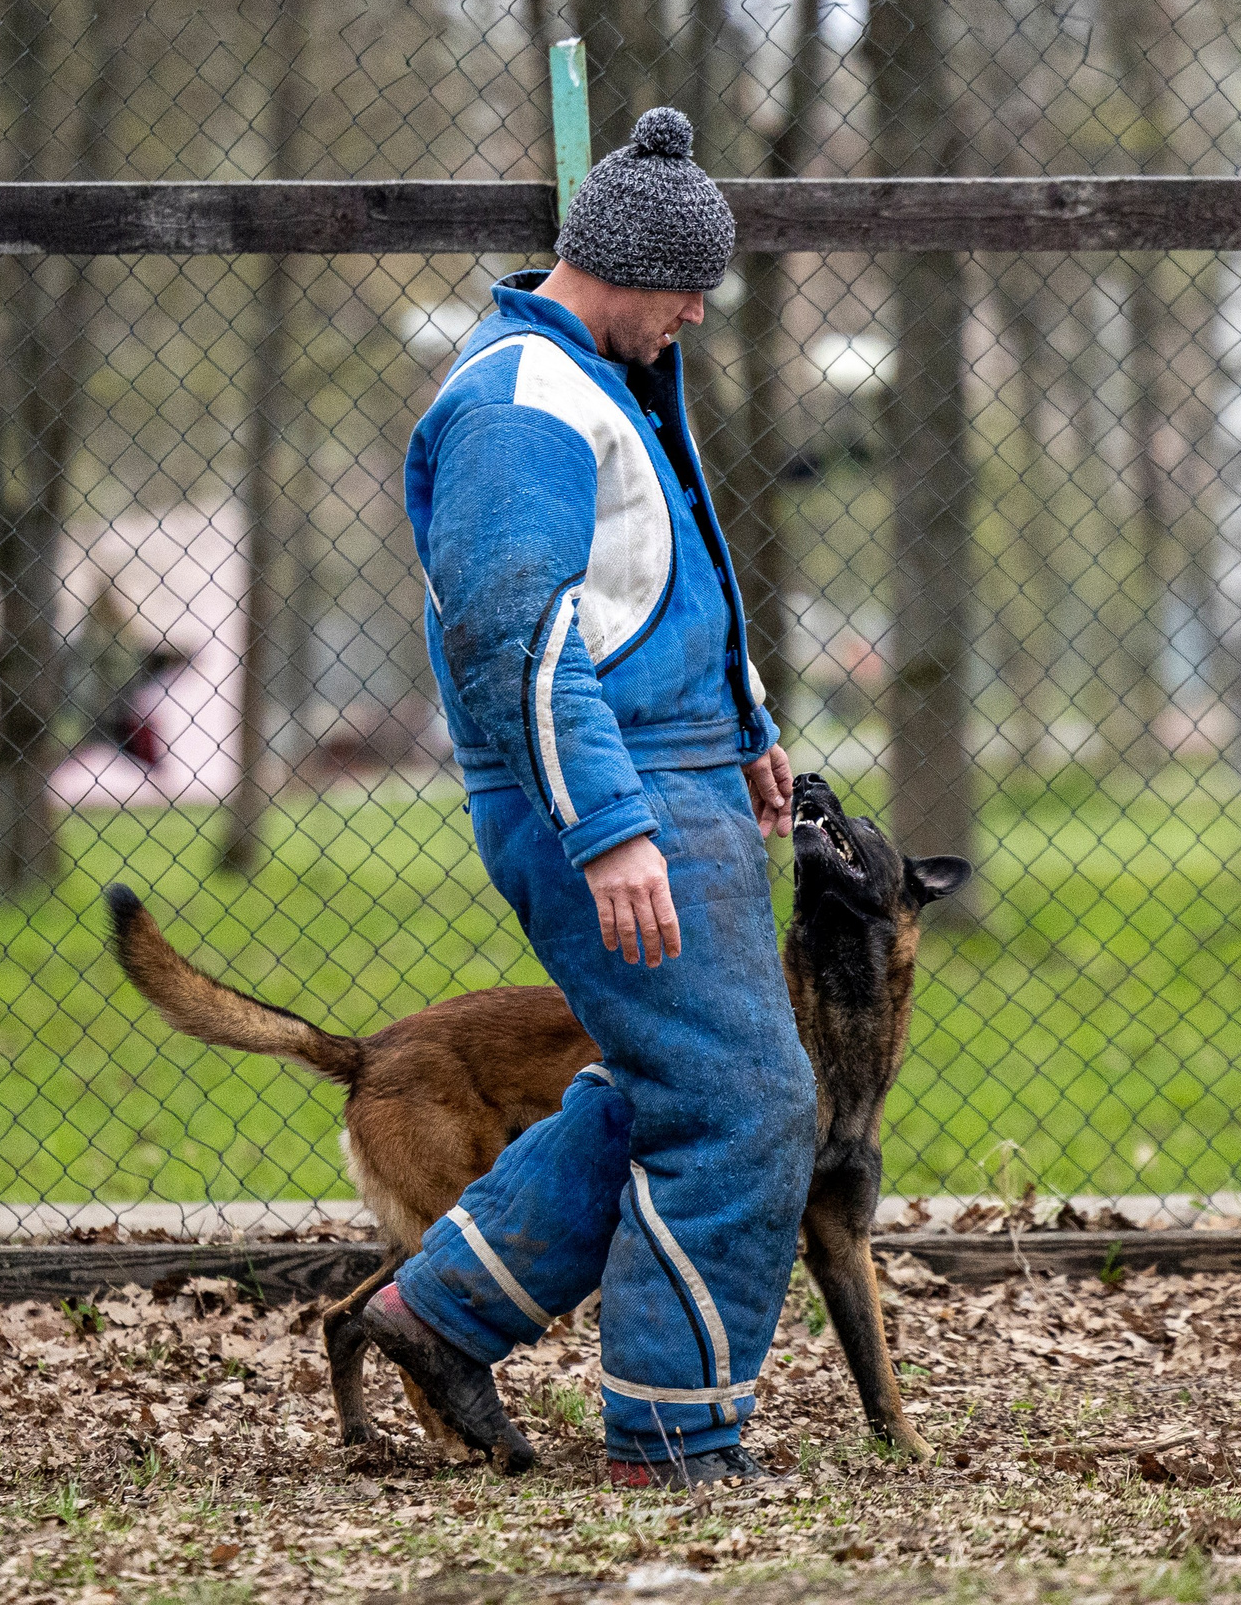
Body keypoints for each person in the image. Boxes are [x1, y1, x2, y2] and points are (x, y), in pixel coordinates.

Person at [357, 105, 810, 1488]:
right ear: (624, 265)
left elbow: (647, 589)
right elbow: (519, 632)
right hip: (613, 796)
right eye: (686, 291)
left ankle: (440, 1309)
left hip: (666, 770)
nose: (693, 318)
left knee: (663, 1085)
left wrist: (746, 726)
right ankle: (673, 1435)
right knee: (745, 1104)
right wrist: (609, 826)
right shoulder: (517, 402)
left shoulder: (590, 384)